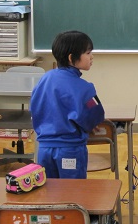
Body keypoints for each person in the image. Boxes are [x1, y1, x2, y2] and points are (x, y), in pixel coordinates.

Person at [30, 31, 105, 179]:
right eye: (88, 53)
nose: (92, 57)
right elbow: (95, 115)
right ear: (71, 58)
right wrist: (90, 124)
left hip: (44, 149)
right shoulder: (85, 88)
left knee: (48, 188)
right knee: (73, 190)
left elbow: (34, 107)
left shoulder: (44, 79)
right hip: (70, 150)